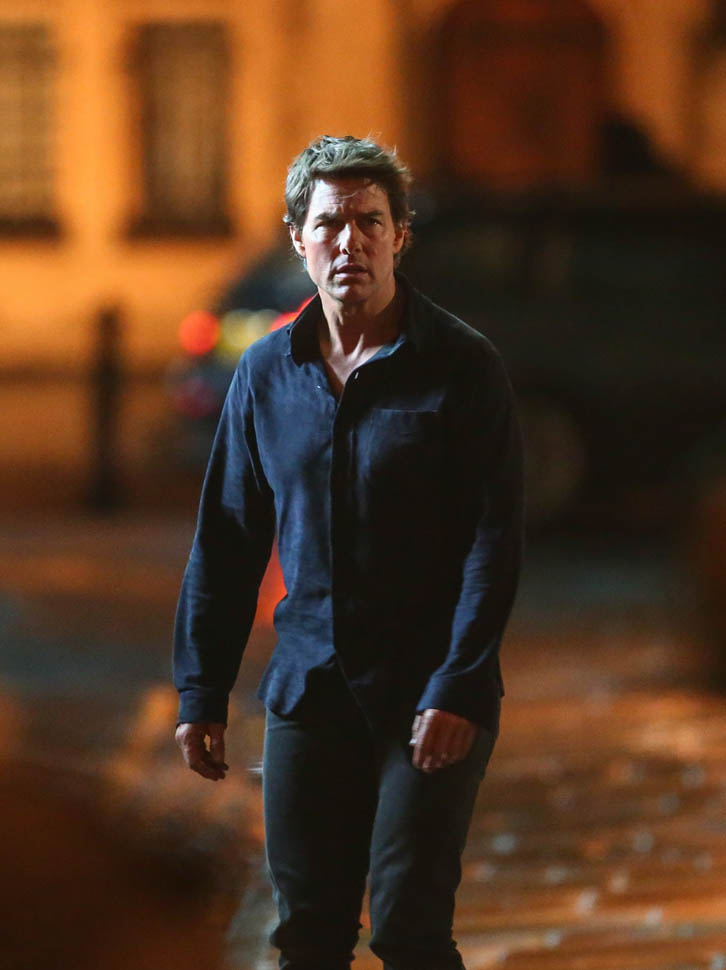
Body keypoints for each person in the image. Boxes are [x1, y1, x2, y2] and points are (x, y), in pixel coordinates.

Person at [174, 135, 524, 970]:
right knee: (308, 936)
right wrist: (201, 688)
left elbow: (493, 539)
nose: (350, 242)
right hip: (309, 689)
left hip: (426, 690)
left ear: (400, 235)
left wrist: (459, 682)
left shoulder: (461, 366)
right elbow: (228, 537)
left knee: (408, 930)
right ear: (298, 237)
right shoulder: (266, 374)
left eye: (370, 221)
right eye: (330, 223)